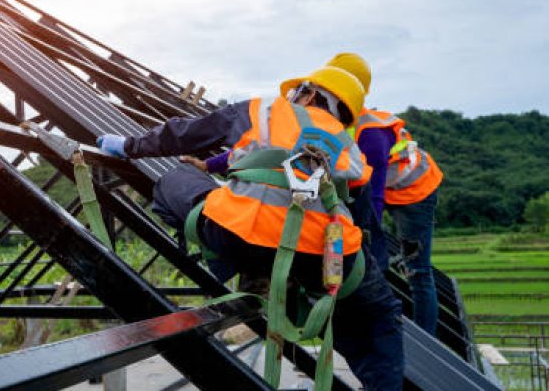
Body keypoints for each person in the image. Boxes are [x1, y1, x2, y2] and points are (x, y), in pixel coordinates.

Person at [97, 65, 404, 390]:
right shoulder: (348, 145)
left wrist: (130, 146)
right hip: (324, 256)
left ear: (310, 93)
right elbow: (363, 214)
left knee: (175, 179)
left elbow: (188, 133)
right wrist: (366, 278)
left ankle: (251, 269)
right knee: (380, 316)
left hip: (239, 236)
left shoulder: (266, 110)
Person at [327, 53, 444, 336]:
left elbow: (373, 196)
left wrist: (367, 241)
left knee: (417, 271)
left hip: (414, 194)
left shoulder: (370, 133)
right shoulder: (340, 124)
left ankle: (427, 339)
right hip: (390, 189)